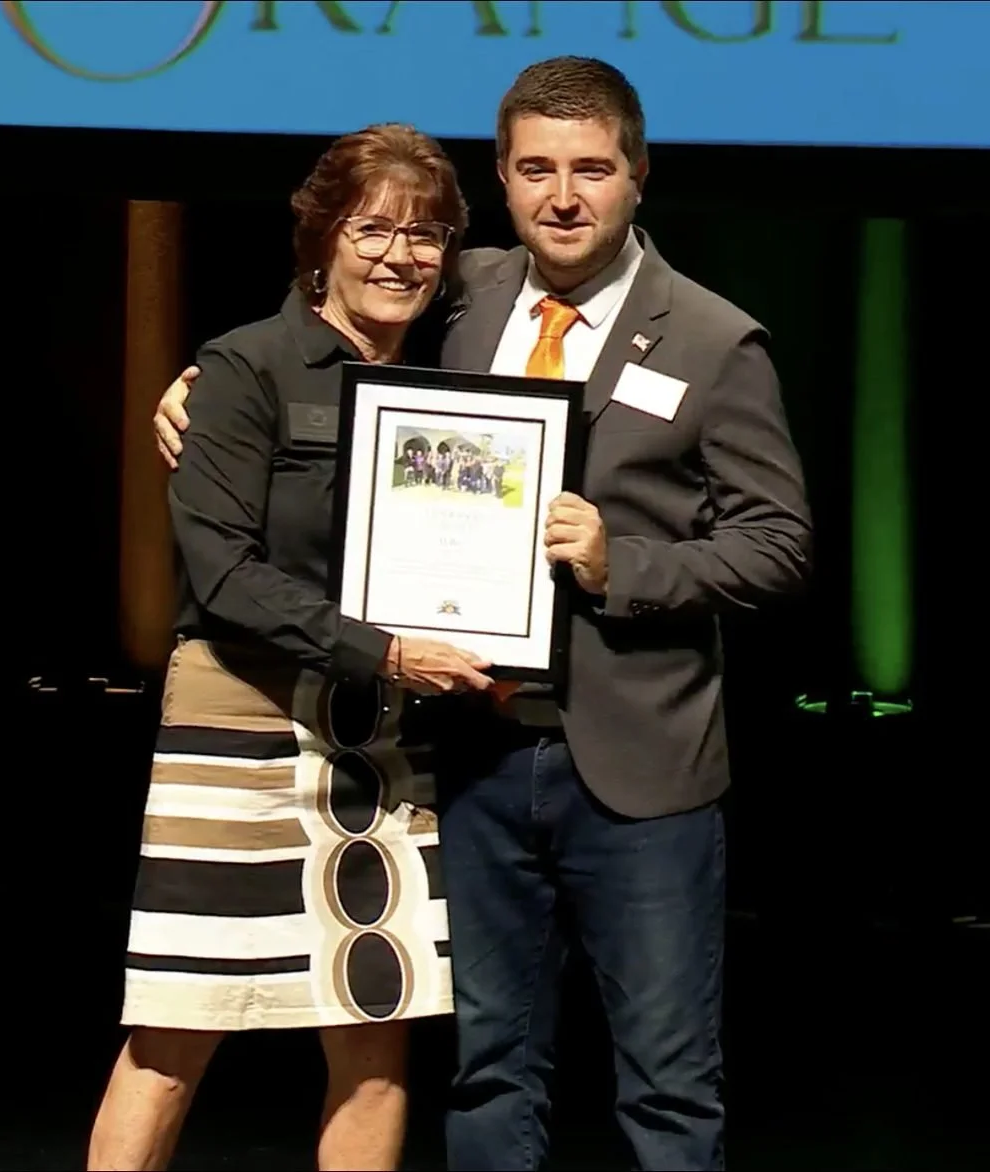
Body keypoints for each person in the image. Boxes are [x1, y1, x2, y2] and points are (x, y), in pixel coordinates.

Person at [151, 57, 812, 1172]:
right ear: (501, 180)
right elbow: (323, 319)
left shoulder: (711, 339)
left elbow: (776, 543)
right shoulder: (464, 294)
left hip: (640, 769)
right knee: (490, 1065)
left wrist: (624, 559)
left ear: (637, 176)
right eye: (536, 169)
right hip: (467, 755)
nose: (564, 195)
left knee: (666, 1083)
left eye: (591, 169)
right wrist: (203, 385)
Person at [86, 123, 502, 1172]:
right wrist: (382, 650)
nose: (399, 254)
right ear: (320, 240)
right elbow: (221, 574)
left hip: (378, 742)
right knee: (179, 1023)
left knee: (372, 1029)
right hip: (236, 725)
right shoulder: (243, 365)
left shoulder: (455, 375)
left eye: (427, 233)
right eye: (372, 228)